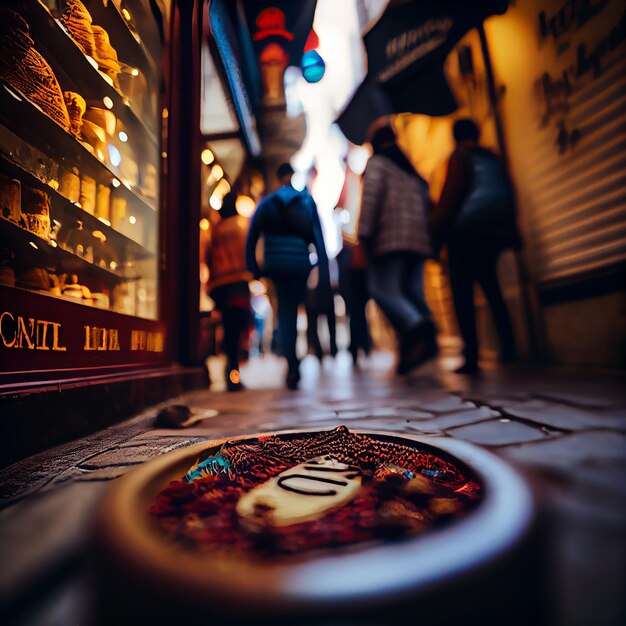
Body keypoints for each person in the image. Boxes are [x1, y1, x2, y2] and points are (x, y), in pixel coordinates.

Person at [429, 118, 519, 374]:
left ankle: (471, 357)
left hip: (466, 234)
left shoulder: (460, 158)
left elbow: (451, 198)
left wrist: (435, 234)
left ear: (456, 137)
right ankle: (510, 349)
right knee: (492, 289)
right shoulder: (492, 158)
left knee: (463, 296)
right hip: (494, 233)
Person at [357, 122, 437, 375]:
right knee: (412, 292)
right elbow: (427, 202)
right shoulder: (411, 171)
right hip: (417, 242)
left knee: (383, 290)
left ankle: (421, 328)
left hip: (389, 241)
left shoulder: (378, 164)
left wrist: (364, 235)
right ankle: (420, 346)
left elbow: (370, 202)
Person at [246, 162, 329, 389]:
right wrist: (322, 271)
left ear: (278, 177)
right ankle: (294, 362)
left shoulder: (269, 202)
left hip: (276, 265)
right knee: (293, 310)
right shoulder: (306, 201)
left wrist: (254, 268)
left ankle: (292, 363)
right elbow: (318, 238)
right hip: (299, 264)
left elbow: (252, 234)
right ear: (292, 176)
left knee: (284, 311)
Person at [206, 192, 252, 391]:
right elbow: (250, 253)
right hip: (239, 284)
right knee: (238, 331)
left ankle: (231, 374)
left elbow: (208, 256)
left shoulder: (216, 229)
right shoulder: (242, 225)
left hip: (221, 286)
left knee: (228, 330)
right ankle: (234, 375)